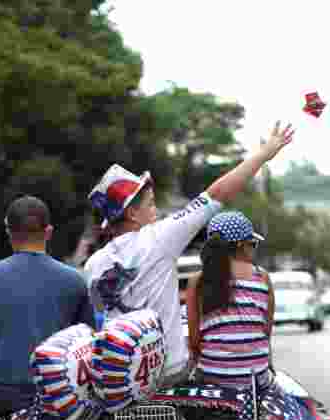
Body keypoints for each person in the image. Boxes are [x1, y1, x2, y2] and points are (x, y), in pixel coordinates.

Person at [85, 121, 294, 387]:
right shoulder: (159, 238)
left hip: (118, 383)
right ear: (131, 213)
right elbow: (217, 194)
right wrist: (263, 155)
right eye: (150, 205)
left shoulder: (93, 265)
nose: (156, 212)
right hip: (167, 375)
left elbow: (101, 315)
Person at [0, 196, 94, 414]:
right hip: (58, 396)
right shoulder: (74, 280)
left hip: (1, 396)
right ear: (48, 232)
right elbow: (88, 336)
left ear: (9, 232)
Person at [184, 211, 274, 391]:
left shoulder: (198, 281)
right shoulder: (262, 277)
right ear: (241, 245)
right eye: (253, 244)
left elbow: (194, 341)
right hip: (255, 382)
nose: (253, 250)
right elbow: (265, 332)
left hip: (213, 381)